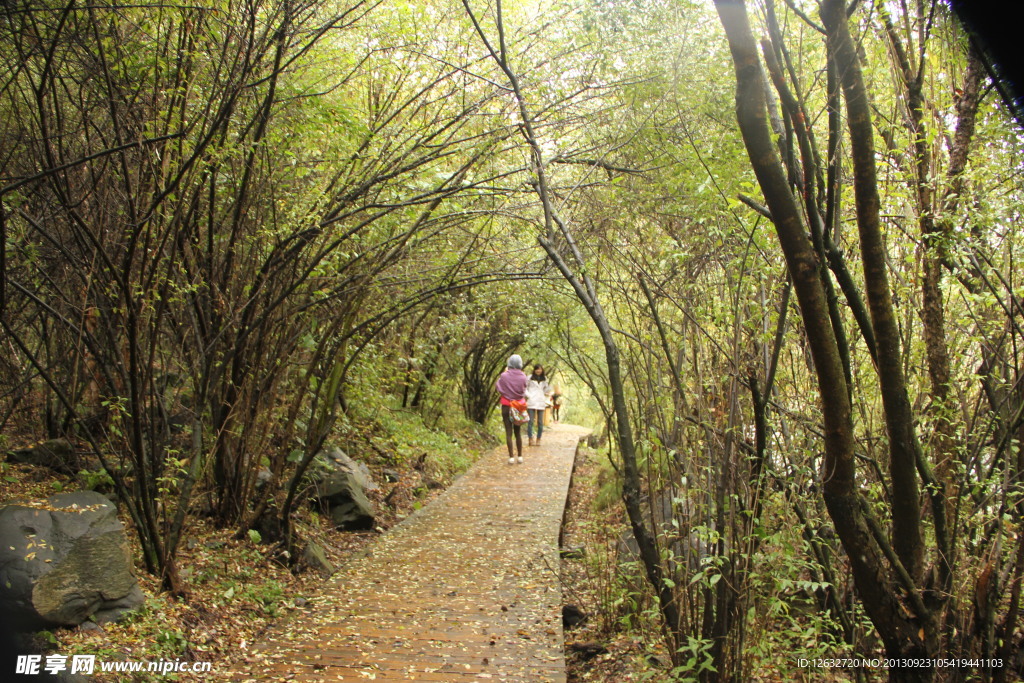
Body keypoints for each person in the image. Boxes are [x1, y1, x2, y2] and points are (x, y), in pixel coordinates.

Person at [495, 354, 528, 464]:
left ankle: (511, 457)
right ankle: (520, 456)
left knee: (508, 432)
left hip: (506, 405)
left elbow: (498, 387)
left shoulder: (504, 376)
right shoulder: (523, 376)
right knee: (517, 432)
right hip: (518, 407)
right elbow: (524, 389)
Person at [525, 364, 551, 446]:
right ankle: (530, 438)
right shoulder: (529, 378)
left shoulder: (545, 378)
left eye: (540, 369)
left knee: (540, 422)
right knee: (530, 421)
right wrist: (529, 395)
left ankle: (539, 438)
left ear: (542, 370)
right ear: (534, 370)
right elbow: (524, 388)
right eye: (537, 369)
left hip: (540, 402)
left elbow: (546, 389)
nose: (538, 371)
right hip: (531, 401)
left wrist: (547, 392)